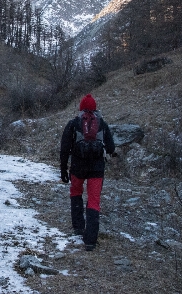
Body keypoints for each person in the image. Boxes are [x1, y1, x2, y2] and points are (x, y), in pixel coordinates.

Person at [59, 93, 115, 251]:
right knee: (93, 201)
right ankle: (90, 241)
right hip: (97, 170)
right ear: (95, 108)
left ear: (81, 108)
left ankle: (78, 227)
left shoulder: (74, 123)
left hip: (78, 167)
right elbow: (111, 148)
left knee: (76, 193)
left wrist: (63, 169)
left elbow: (64, 149)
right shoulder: (102, 123)